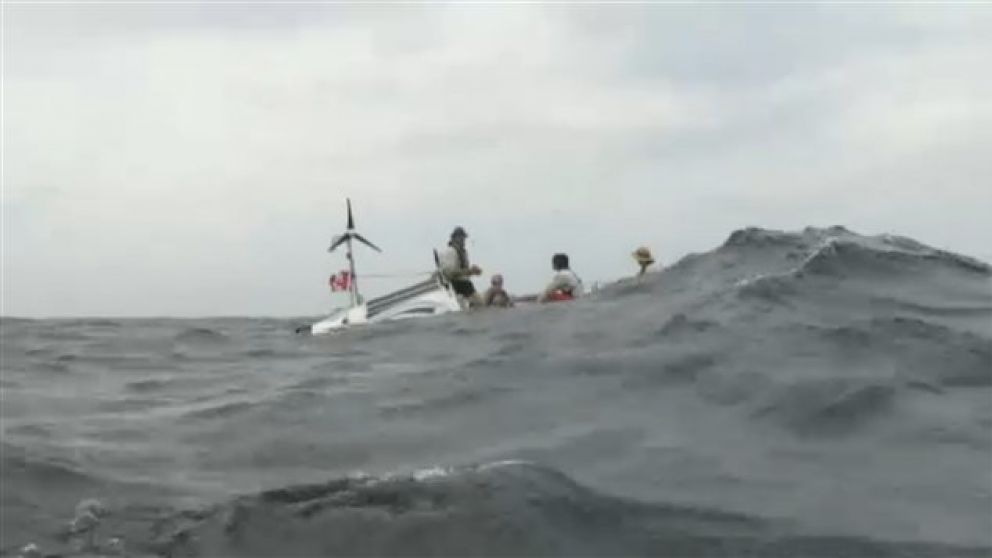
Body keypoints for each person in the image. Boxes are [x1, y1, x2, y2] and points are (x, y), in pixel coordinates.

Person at [439, 226, 483, 307]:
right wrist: (470, 271)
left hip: (467, 287)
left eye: (463, 237)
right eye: (461, 237)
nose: (463, 240)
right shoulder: (450, 252)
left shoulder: (463, 253)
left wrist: (473, 272)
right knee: (480, 304)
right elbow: (449, 273)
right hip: (458, 288)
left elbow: (463, 272)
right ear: (454, 238)